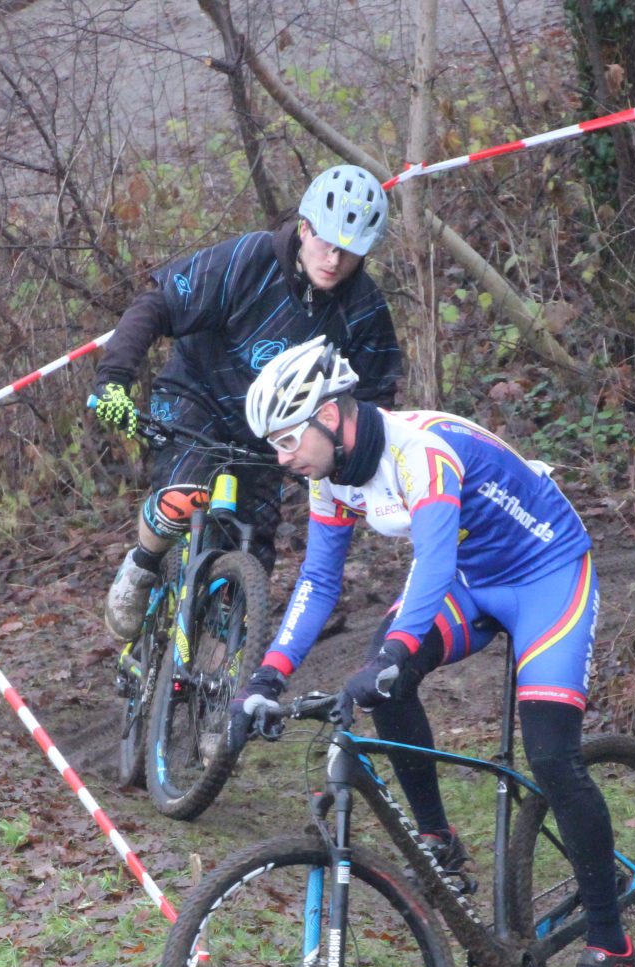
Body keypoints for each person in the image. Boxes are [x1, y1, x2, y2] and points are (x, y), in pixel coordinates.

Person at [227, 337, 631, 967]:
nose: (280, 456)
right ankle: (439, 841)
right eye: (273, 441)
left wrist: (391, 650)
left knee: (552, 756)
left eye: (288, 437)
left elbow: (434, 564)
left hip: (547, 574)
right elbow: (319, 581)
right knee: (388, 681)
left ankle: (609, 943)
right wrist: (265, 675)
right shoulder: (329, 477)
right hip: (474, 581)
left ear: (333, 416)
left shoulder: (421, 452)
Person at [89, 165, 405, 641]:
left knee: (252, 560)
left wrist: (350, 461)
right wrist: (113, 381)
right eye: (326, 244)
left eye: (351, 252)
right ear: (304, 229)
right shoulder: (249, 259)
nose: (335, 261)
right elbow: (156, 305)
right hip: (199, 399)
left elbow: (375, 397)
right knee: (181, 498)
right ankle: (140, 565)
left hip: (273, 438)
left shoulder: (363, 308)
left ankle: (219, 689)